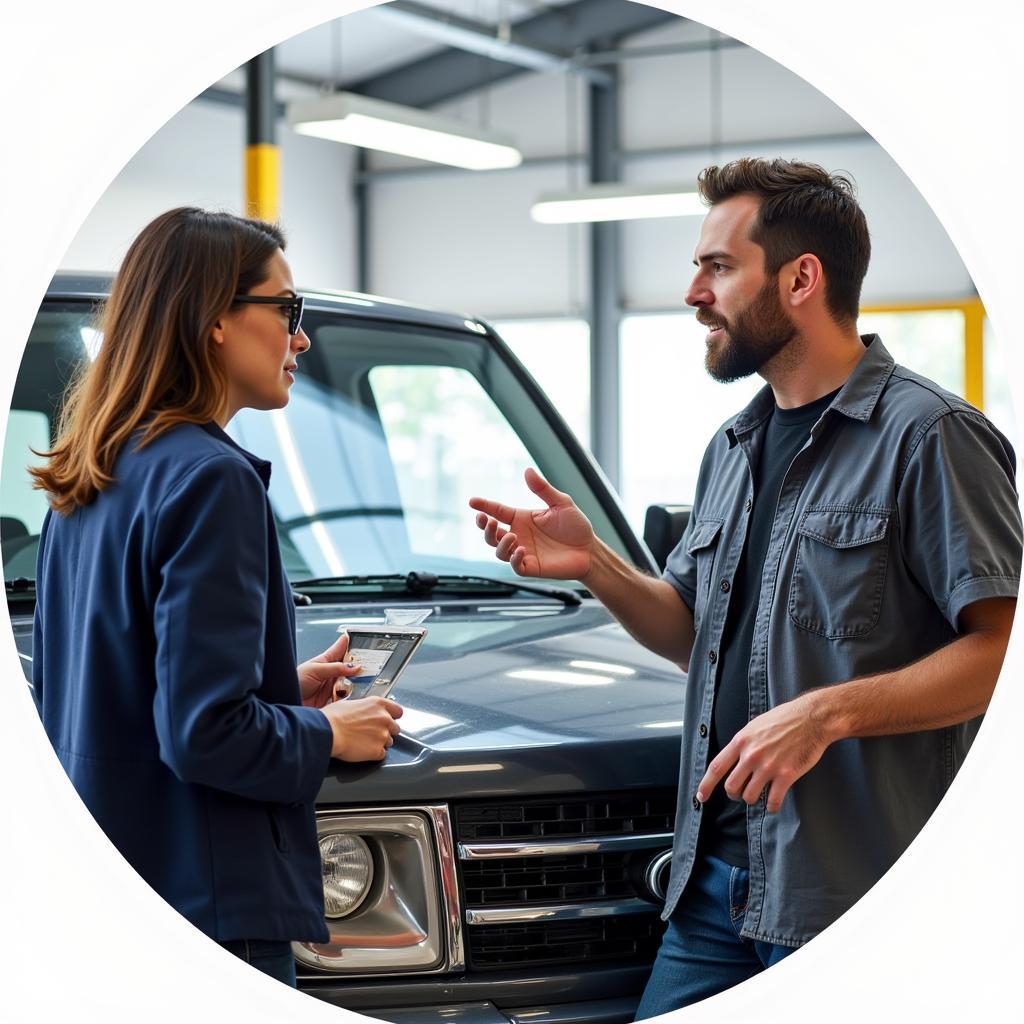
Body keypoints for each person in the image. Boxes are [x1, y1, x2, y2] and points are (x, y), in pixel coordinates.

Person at [469, 158, 1021, 1016]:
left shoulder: (930, 437)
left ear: (802, 278)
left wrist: (830, 713)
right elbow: (696, 628)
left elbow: (1002, 647)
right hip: (713, 889)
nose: (694, 292)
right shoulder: (731, 448)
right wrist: (598, 568)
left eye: (718, 267)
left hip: (852, 902)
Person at [30, 207, 403, 987]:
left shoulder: (87, 476)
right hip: (210, 909)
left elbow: (112, 693)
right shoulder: (212, 478)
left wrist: (282, 691)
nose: (301, 339)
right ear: (213, 321)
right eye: (288, 310)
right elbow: (205, 735)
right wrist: (327, 734)